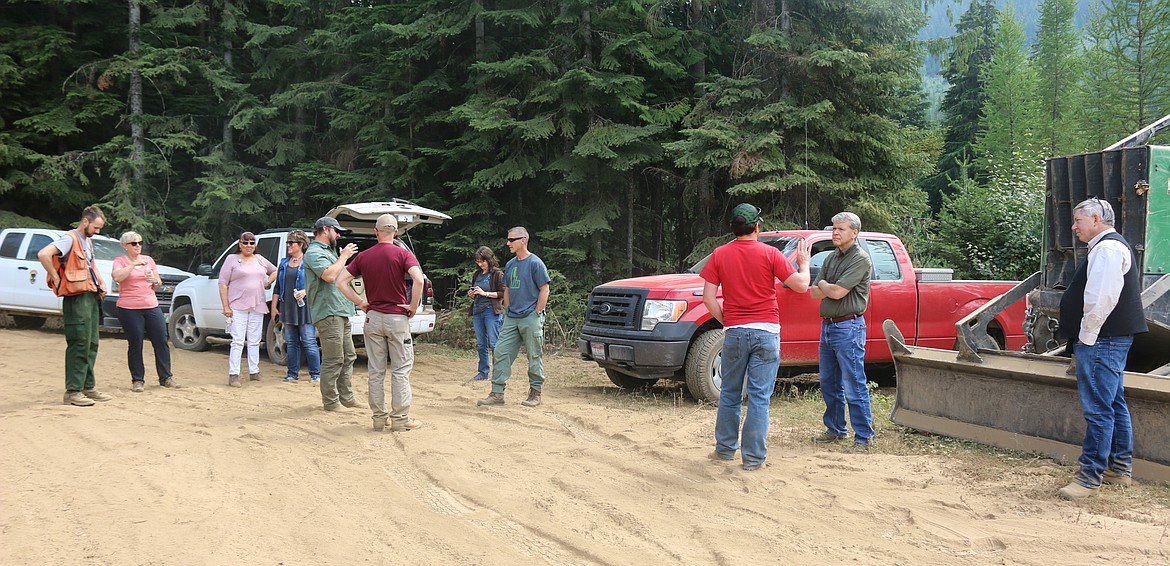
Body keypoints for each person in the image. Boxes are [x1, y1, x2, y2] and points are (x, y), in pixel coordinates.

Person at [701, 203, 810, 471]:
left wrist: (728, 321)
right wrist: (804, 264)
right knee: (759, 398)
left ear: (732, 228)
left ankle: (725, 450)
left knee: (729, 394)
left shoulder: (719, 254)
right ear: (757, 227)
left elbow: (708, 299)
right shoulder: (771, 254)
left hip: (736, 333)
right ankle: (753, 459)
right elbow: (801, 286)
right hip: (766, 332)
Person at [1056, 198, 1148, 500]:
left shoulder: (1107, 249)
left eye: (1078, 220)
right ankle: (1119, 469)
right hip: (1110, 339)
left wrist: (1087, 337)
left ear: (1096, 219)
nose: (1073, 226)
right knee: (1113, 404)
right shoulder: (1108, 246)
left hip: (1102, 340)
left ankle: (1089, 477)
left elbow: (1101, 299)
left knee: (1099, 410)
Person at [336, 214, 424, 431]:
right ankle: (400, 419)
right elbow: (419, 279)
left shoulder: (364, 257)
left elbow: (340, 282)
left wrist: (361, 303)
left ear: (376, 232)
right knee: (400, 370)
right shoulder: (403, 254)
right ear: (395, 232)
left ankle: (378, 418)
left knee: (376, 370)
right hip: (397, 318)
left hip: (373, 318)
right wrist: (412, 307)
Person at [809, 212, 874, 452]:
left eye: (841, 229)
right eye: (834, 228)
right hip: (828, 326)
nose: (835, 233)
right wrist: (826, 287)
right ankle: (836, 429)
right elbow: (814, 292)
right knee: (829, 383)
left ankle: (863, 437)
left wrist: (825, 286)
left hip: (849, 327)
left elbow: (835, 292)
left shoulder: (860, 259)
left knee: (854, 383)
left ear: (854, 233)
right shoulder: (832, 257)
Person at [37, 205, 114, 406]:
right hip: (76, 299)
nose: (97, 232)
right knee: (79, 342)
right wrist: (56, 279)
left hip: (89, 297)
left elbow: (90, 266)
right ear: (85, 221)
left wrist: (101, 283)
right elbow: (44, 254)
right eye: (96, 228)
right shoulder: (69, 238)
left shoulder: (87, 241)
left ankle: (88, 387)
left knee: (91, 343)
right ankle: (72, 391)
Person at [477, 227, 551, 408]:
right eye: (508, 240)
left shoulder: (535, 263)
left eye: (511, 240)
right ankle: (497, 394)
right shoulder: (510, 264)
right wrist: (507, 308)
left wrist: (537, 312)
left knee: (534, 355)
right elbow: (507, 288)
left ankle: (535, 392)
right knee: (501, 352)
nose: (508, 243)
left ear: (523, 240)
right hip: (512, 317)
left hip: (530, 317)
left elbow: (544, 288)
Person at [304, 217, 365, 411]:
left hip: (340, 310)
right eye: (336, 231)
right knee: (333, 358)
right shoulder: (314, 252)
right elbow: (329, 276)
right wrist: (344, 257)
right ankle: (331, 402)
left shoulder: (330, 252)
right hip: (328, 312)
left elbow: (341, 276)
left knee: (348, 356)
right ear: (325, 230)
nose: (338, 235)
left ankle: (347, 398)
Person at [112, 231, 178, 392]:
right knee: (136, 343)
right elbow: (117, 277)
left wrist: (155, 281)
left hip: (151, 305)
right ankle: (138, 380)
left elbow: (158, 281)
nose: (138, 246)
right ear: (125, 246)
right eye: (134, 243)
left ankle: (166, 377)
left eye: (140, 243)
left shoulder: (148, 260)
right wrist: (133, 264)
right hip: (129, 308)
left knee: (161, 341)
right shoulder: (120, 261)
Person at [218, 231, 277, 387]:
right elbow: (222, 283)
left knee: (254, 340)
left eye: (252, 243)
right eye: (245, 242)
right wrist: (226, 306)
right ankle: (234, 374)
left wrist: (267, 282)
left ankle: (254, 370)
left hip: (257, 304)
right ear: (240, 244)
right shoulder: (232, 259)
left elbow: (275, 270)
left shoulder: (259, 259)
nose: (249, 246)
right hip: (237, 305)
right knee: (237, 340)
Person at [271, 230, 321, 383]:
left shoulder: (308, 262)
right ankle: (292, 374)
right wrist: (274, 306)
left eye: (291, 243)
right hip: (288, 307)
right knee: (291, 342)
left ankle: (315, 375)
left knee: (309, 341)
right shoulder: (284, 263)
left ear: (301, 244)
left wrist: (305, 292)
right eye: (288, 242)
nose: (288, 245)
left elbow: (318, 283)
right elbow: (278, 287)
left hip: (305, 308)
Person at [467, 246, 504, 381]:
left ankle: (499, 373)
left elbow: (503, 293)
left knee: (494, 344)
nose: (480, 264)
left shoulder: (497, 274)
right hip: (477, 310)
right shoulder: (476, 274)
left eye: (482, 261)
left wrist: (485, 293)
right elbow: (475, 291)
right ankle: (483, 372)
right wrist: (472, 294)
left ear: (489, 259)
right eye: (478, 261)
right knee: (481, 344)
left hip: (491, 311)